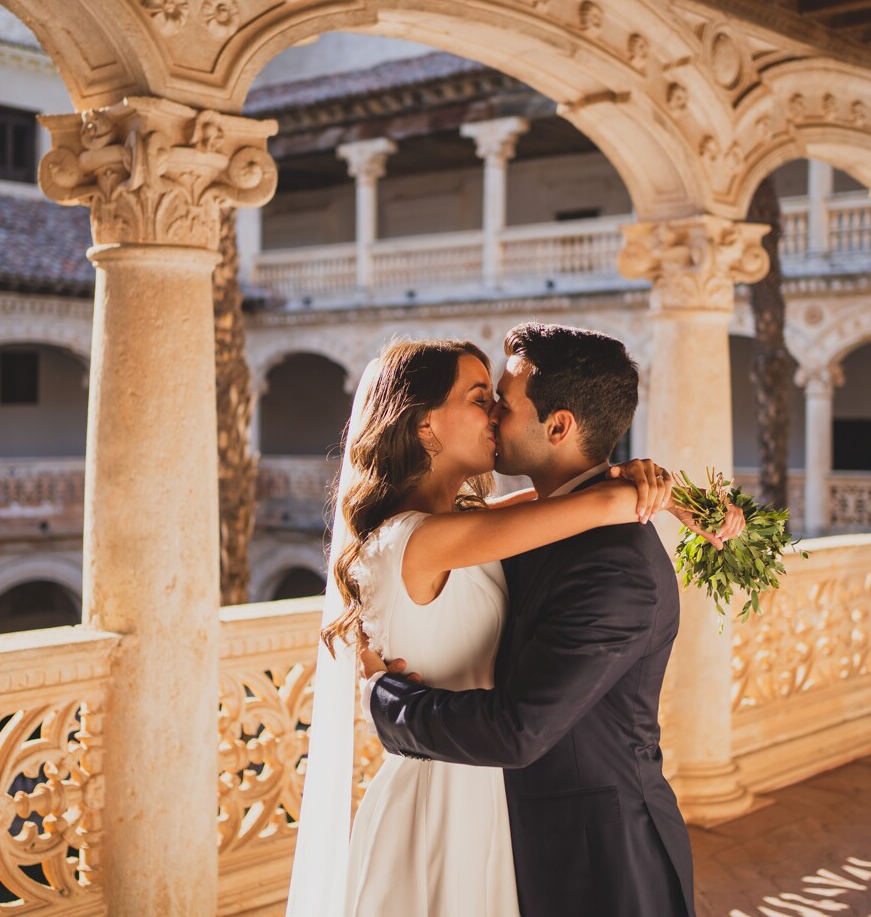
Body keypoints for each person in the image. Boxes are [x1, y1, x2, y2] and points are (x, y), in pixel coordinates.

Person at [285, 328, 741, 917]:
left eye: (498, 399)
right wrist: (657, 494)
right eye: (481, 399)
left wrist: (657, 491)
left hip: (579, 841)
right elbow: (587, 505)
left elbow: (550, 510)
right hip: (447, 796)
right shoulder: (423, 536)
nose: (495, 413)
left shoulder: (498, 530)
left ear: (557, 427)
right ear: (425, 427)